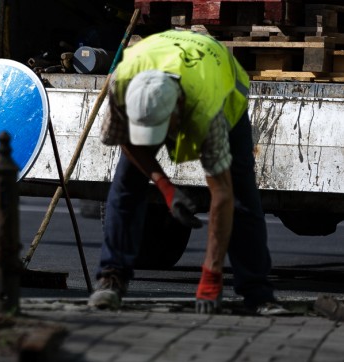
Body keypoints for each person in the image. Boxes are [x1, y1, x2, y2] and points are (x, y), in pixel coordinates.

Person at [89, 29, 289, 315]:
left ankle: (257, 293)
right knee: (126, 183)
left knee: (241, 195)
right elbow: (125, 141)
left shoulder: (209, 109)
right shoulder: (122, 83)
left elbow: (221, 193)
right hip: (163, 64)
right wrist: (166, 188)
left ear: (178, 109)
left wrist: (211, 274)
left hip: (220, 83)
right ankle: (111, 277)